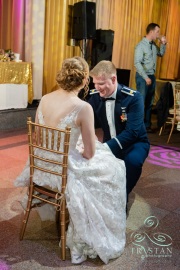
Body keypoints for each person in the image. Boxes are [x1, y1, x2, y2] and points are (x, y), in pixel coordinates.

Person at [14, 56, 126, 265]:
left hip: (40, 167)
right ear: (85, 80)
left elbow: (38, 137)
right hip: (63, 172)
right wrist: (79, 148)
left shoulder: (45, 98)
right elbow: (90, 154)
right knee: (114, 168)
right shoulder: (83, 107)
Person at [88, 60, 150, 202]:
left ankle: (122, 197)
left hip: (135, 143)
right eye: (95, 83)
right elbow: (85, 119)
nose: (97, 88)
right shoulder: (94, 97)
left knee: (133, 162)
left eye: (101, 83)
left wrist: (105, 148)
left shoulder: (133, 98)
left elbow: (132, 132)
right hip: (109, 142)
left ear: (113, 79)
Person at [134, 22, 167, 133]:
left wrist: (163, 44)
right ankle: (138, 126)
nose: (159, 34)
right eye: (157, 32)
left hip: (151, 76)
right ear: (151, 32)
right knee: (141, 102)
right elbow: (137, 63)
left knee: (149, 102)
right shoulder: (140, 46)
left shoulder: (153, 46)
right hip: (143, 77)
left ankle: (146, 125)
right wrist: (145, 77)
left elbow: (161, 54)